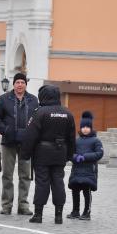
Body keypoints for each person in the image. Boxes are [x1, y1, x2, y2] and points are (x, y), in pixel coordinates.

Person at [20, 84, 76, 224]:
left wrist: (25, 154)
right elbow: (71, 137)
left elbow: (30, 135)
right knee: (58, 182)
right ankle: (58, 215)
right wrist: (70, 154)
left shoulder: (40, 112)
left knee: (42, 183)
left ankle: (38, 214)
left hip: (42, 153)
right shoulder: (67, 113)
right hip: (60, 152)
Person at [0, 73, 39, 215]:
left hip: (26, 143)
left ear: (26, 84)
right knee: (7, 174)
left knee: (25, 175)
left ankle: (23, 205)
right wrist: (5, 130)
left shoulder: (33, 100)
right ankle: (6, 205)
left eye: (22, 82)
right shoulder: (3, 99)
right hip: (8, 142)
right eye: (17, 82)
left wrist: (32, 134)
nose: (20, 85)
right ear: (13, 84)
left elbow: (37, 119)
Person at [67, 111, 104, 221]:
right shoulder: (76, 141)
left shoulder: (96, 140)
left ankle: (87, 212)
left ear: (91, 128)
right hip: (77, 170)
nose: (85, 129)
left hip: (88, 171)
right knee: (75, 191)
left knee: (86, 192)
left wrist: (85, 157)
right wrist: (75, 157)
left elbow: (99, 153)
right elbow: (69, 153)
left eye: (88, 127)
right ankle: (75, 211)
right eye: (83, 127)